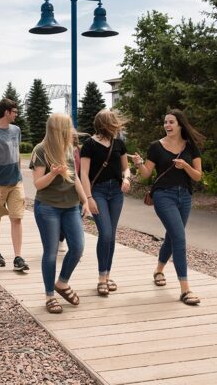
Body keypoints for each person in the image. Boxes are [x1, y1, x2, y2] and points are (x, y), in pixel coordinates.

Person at [131, 109, 205, 306]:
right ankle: (185, 290)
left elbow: (198, 176)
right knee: (179, 237)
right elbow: (146, 174)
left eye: (171, 122)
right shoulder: (156, 146)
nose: (167, 125)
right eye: (165, 122)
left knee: (173, 237)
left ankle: (158, 270)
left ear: (180, 124)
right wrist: (139, 164)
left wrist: (186, 167)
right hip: (163, 195)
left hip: (185, 196)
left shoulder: (191, 147)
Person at [30, 113, 89, 314]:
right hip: (48, 207)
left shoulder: (69, 149)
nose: (71, 131)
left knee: (78, 247)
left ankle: (62, 283)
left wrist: (85, 200)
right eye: (68, 127)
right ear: (58, 130)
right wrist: (53, 173)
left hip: (71, 206)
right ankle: (49, 296)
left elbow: (76, 179)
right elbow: (37, 184)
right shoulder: (40, 150)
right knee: (51, 252)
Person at [80, 110, 131, 296]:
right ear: (105, 124)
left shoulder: (119, 144)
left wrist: (126, 179)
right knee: (106, 233)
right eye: (113, 122)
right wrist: (89, 198)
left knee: (112, 235)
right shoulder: (89, 144)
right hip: (98, 192)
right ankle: (101, 278)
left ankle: (107, 276)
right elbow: (83, 174)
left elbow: (126, 168)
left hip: (116, 192)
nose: (116, 125)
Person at [0, 98, 29, 272]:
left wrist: (20, 174)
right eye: (15, 111)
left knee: (16, 218)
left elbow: (16, 154)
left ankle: (18, 257)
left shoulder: (16, 130)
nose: (17, 114)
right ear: (6, 112)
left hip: (16, 181)